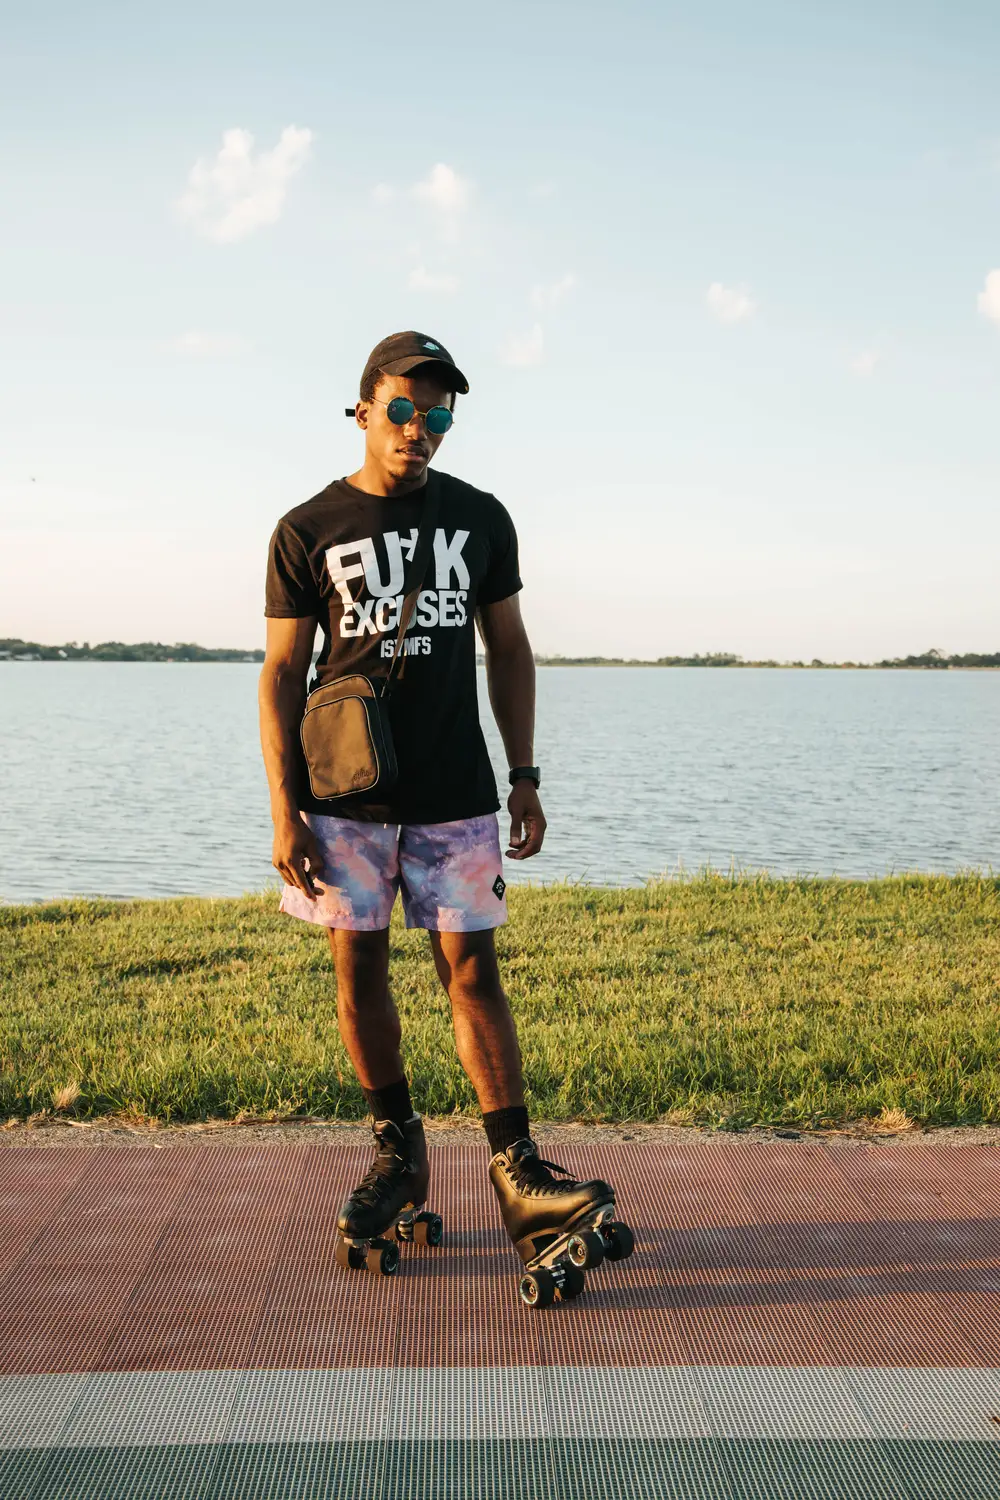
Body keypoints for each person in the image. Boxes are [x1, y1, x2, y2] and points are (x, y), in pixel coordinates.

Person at [258, 331, 617, 1286]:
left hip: (456, 788)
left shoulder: (481, 518)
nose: (421, 429)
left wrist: (526, 772)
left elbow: (511, 648)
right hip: (344, 796)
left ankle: (515, 1167)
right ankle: (396, 1150)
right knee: (359, 965)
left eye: (440, 413)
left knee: (471, 970)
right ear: (366, 409)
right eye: (405, 410)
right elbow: (282, 673)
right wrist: (284, 807)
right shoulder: (307, 529)